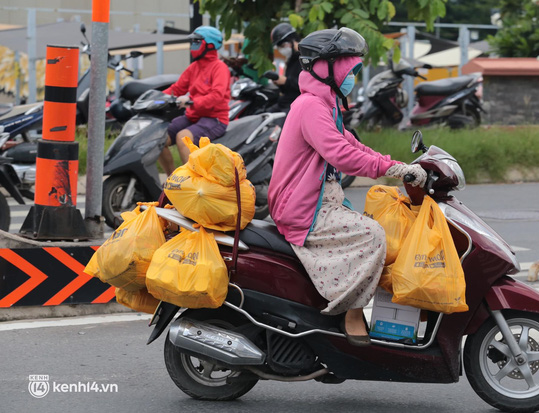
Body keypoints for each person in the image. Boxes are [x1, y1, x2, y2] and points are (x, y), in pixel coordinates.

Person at [267, 28, 427, 347]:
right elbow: (340, 154)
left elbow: (355, 145)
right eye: (348, 68)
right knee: (373, 235)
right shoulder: (310, 106)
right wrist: (392, 170)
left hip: (320, 203)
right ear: (326, 68)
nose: (352, 75)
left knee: (383, 229)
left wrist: (397, 165)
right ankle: (349, 311)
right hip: (304, 209)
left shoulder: (327, 106)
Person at [158, 26, 231, 176]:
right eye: (192, 42)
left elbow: (216, 96)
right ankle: (172, 180)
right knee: (158, 139)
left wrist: (191, 100)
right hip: (193, 117)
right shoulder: (194, 67)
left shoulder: (220, 68)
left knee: (183, 138)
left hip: (215, 119)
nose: (193, 46)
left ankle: (192, 181)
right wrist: (153, 97)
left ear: (210, 45)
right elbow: (176, 89)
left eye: (196, 42)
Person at [268, 23, 302, 113]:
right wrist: (279, 83)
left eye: (283, 46)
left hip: (297, 106)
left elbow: (305, 85)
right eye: (279, 47)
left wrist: (285, 81)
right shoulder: (291, 59)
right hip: (284, 103)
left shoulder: (305, 59)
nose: (281, 50)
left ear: (293, 41)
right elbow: (288, 90)